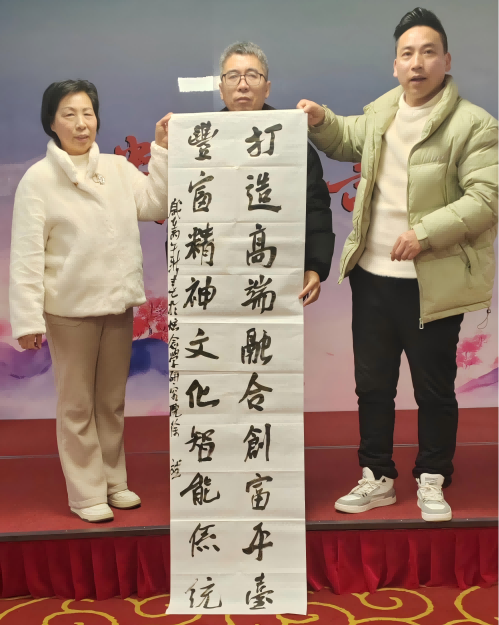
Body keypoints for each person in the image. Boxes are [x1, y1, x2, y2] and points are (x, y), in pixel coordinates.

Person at [298, 8, 498, 521]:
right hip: (372, 278)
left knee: (434, 388)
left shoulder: (475, 124)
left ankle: (433, 476)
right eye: (407, 54)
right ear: (395, 64)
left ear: (446, 60)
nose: (417, 63)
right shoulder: (382, 111)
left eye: (428, 52)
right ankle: (377, 476)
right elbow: (347, 138)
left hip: (432, 280)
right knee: (372, 386)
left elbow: (487, 198)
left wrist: (424, 234)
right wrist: (320, 121)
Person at [9, 80, 171, 523]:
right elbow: (26, 256)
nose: (81, 124)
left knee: (110, 402)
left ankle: (114, 481)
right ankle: (85, 493)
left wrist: (161, 149)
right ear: (51, 122)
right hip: (69, 311)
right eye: (69, 114)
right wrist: (27, 319)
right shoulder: (38, 180)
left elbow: (157, 204)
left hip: (117, 305)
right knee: (77, 405)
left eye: (88, 113)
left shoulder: (118, 168)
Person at [219, 41, 335, 304]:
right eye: (233, 76)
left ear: (267, 88)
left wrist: (315, 266)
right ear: (221, 89)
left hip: (275, 276)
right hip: (219, 277)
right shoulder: (201, 145)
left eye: (252, 75)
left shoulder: (291, 140)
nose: (243, 85)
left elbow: (315, 206)